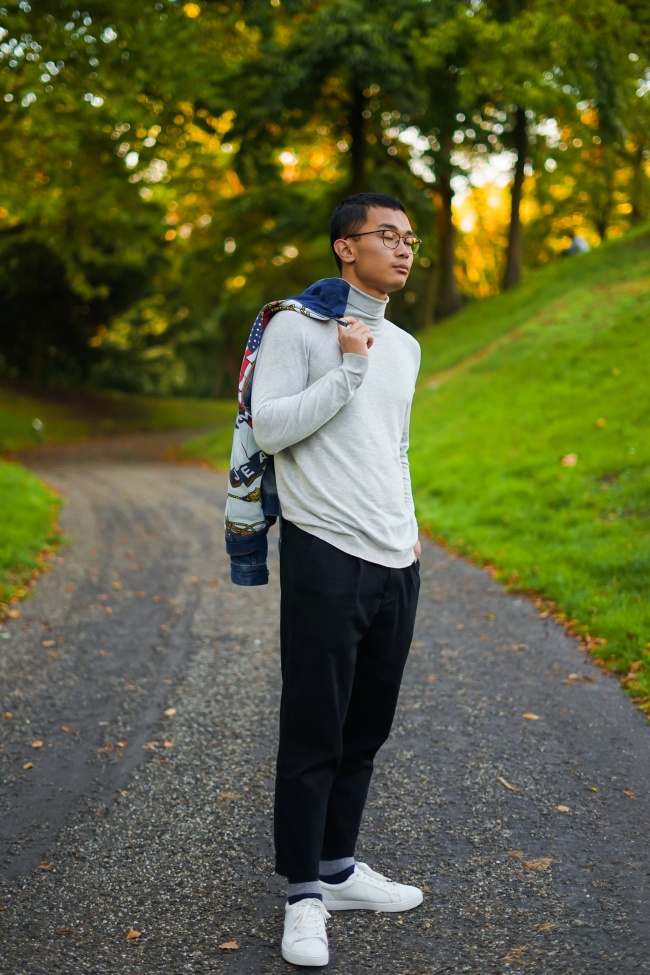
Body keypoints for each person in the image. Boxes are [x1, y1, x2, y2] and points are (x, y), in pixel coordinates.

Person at [236, 192, 423, 967]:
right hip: (325, 552)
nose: (405, 249)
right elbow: (269, 425)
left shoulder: (406, 344)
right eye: (388, 235)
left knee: (366, 726)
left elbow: (397, 447)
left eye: (411, 238)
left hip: (395, 556)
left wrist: (410, 535)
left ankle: (340, 867)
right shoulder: (297, 326)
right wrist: (347, 368)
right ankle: (303, 895)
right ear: (346, 248)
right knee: (316, 725)